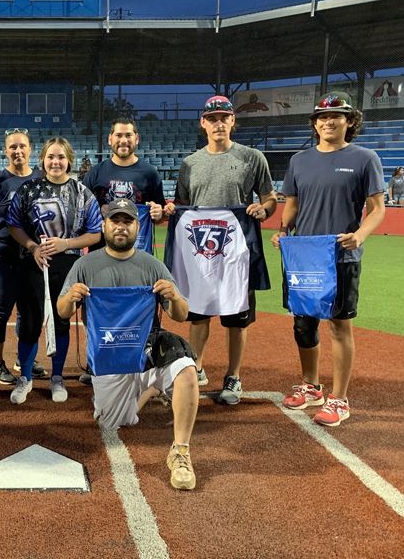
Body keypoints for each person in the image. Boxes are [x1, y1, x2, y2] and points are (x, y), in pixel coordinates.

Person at [56, 198, 199, 490]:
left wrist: (174, 296)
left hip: (146, 347)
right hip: (108, 354)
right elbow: (62, 311)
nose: (121, 227)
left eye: (128, 221)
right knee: (113, 422)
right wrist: (70, 298)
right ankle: (152, 388)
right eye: (115, 221)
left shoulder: (152, 265)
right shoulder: (84, 265)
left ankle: (181, 451)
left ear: (137, 227)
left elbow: (181, 314)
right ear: (104, 226)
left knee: (186, 368)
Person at [272, 91, 385, 427]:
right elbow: (292, 205)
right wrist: (283, 231)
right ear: (315, 123)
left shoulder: (365, 158)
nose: (328, 122)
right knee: (303, 324)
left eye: (336, 116)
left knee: (338, 325)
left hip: (341, 256)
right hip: (304, 256)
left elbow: (377, 209)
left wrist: (359, 236)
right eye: (322, 117)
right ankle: (311, 386)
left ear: (349, 121)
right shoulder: (299, 161)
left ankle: (340, 398)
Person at [165, 95, 276, 404]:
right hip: (200, 252)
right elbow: (184, 205)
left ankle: (233, 376)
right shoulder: (190, 163)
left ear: (232, 121)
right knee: (198, 315)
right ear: (203, 123)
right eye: (212, 119)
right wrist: (173, 208)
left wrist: (264, 209)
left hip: (237, 251)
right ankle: (196, 368)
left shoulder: (253, 158)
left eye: (224, 118)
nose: (218, 124)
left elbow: (269, 197)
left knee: (237, 317)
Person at [6, 137, 102, 404]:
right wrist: (33, 247)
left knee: (61, 320)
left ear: (69, 160)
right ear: (43, 160)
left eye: (61, 157)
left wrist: (66, 244)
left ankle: (57, 377)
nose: (55, 162)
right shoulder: (28, 190)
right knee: (30, 321)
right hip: (33, 264)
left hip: (67, 265)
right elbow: (13, 224)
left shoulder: (82, 193)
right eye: (50, 157)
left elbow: (95, 233)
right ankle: (25, 377)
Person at [81, 116, 166, 384]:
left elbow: (159, 212)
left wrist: (158, 213)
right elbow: (84, 212)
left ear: (136, 139)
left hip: (138, 257)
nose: (123, 140)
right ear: (110, 139)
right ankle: (97, 361)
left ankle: (140, 362)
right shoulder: (96, 174)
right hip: (101, 257)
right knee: (98, 309)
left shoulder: (149, 173)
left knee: (141, 308)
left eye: (128, 135)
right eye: (118, 135)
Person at [0, 128, 47, 385]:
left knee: (28, 310)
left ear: (30, 149)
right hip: (3, 254)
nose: (18, 151)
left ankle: (24, 359)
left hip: (32, 256)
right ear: (5, 151)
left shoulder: (41, 179)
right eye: (13, 147)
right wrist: (1, 239)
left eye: (22, 146)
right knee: (1, 309)